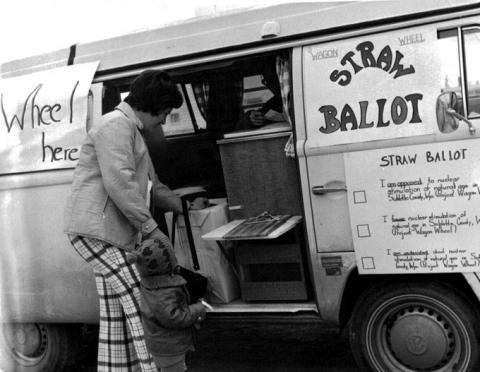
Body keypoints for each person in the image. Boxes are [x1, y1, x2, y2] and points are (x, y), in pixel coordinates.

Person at [64, 70, 184, 372]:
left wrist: (183, 205)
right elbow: (120, 183)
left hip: (104, 231)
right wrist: (151, 228)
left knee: (117, 315)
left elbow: (150, 186)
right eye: (166, 113)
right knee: (140, 303)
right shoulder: (116, 126)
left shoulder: (127, 128)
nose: (165, 121)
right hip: (98, 231)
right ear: (154, 105)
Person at [127, 237, 208, 372]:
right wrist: (197, 309)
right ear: (165, 263)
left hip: (166, 344)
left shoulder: (153, 284)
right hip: (168, 347)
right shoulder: (162, 291)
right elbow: (174, 317)